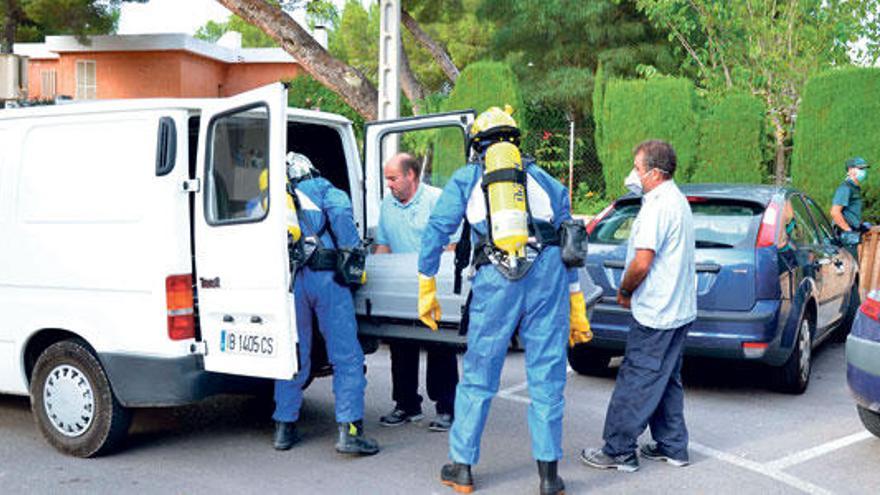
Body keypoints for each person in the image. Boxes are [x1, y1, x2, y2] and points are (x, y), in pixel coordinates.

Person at [419, 106, 592, 495]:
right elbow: (570, 246)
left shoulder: (468, 178)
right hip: (547, 272)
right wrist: (576, 302)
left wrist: (426, 282)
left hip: (495, 276)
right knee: (547, 377)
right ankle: (549, 478)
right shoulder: (546, 180)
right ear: (515, 141)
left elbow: (437, 230)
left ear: (477, 145)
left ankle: (461, 469)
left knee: (479, 376)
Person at [580, 140, 696, 472]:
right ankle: (672, 445)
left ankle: (618, 450)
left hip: (657, 312)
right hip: (678, 310)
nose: (634, 173)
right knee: (666, 377)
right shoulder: (677, 200)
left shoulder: (658, 206)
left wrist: (625, 290)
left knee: (636, 378)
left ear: (654, 172)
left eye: (637, 167)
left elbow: (642, 263)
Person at [272, 152, 379, 456]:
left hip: (292, 282)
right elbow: (344, 221)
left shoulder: (275, 197)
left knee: (293, 354)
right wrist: (354, 256)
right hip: (327, 278)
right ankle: (350, 431)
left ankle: (283, 427)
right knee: (346, 355)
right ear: (311, 168)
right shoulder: (324, 188)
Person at [374, 153, 459, 432]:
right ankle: (407, 404)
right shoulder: (387, 205)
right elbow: (384, 246)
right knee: (400, 348)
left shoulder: (437, 200)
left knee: (439, 347)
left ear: (411, 175)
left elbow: (451, 247)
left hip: (432, 286)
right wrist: (375, 280)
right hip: (401, 287)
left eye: (393, 178)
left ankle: (447, 408)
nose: (389, 184)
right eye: (387, 178)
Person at [831, 157, 870, 257]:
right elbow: (835, 212)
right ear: (850, 170)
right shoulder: (845, 188)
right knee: (851, 268)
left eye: (864, 169)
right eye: (860, 169)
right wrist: (848, 231)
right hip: (844, 237)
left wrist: (859, 225)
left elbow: (850, 212)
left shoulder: (855, 188)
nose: (863, 172)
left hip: (852, 234)